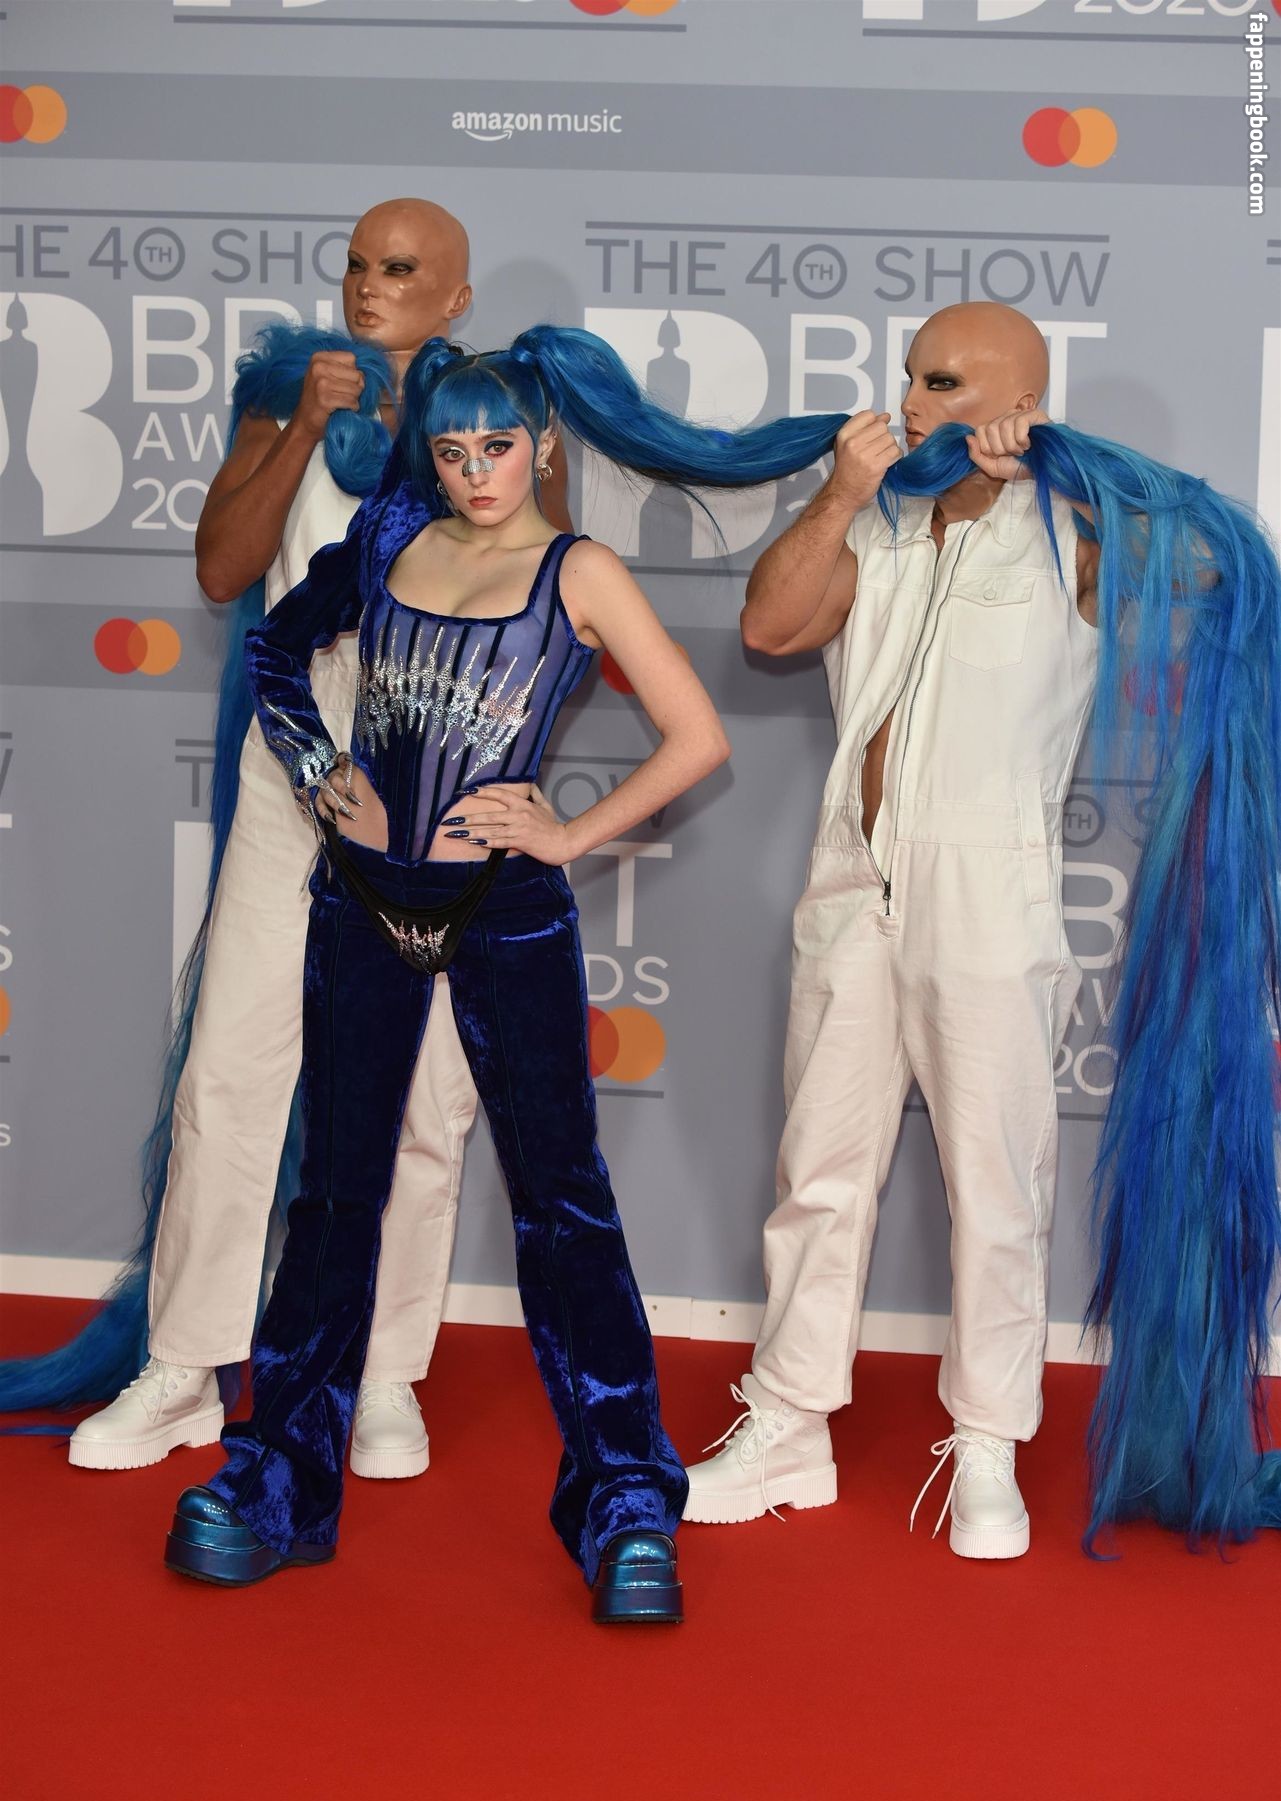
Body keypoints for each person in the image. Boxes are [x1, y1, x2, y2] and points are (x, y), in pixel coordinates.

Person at [160, 327, 854, 1620]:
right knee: (335, 1199)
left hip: (506, 911)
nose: (475, 471)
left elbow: (696, 736)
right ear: (429, 455)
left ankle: (626, 1508)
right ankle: (275, 1485)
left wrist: (572, 833)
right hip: (359, 904)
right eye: (451, 450)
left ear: (540, 447)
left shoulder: (579, 569)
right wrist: (318, 772)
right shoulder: (386, 542)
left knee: (562, 1203)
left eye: (497, 447)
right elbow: (271, 648)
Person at [683, 299, 1281, 1557]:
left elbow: (1221, 562)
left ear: (1019, 400)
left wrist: (1076, 473)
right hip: (852, 881)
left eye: (946, 383)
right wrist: (842, 494)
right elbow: (770, 628)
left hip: (991, 894)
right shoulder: (877, 522)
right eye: (910, 377)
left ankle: (991, 1447)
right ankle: (789, 1422)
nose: (913, 404)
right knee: (818, 1174)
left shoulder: (1075, 534)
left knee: (1000, 1185)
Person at [0, 200, 563, 1480]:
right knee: (231, 1074)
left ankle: (383, 1373)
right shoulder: (285, 393)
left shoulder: (501, 411)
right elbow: (221, 570)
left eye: (401, 270)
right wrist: (305, 423)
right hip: (292, 767)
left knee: (423, 1098)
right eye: (357, 265)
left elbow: (539, 583)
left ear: (456, 297)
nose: (369, 288)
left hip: (438, 780)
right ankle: (186, 1366)